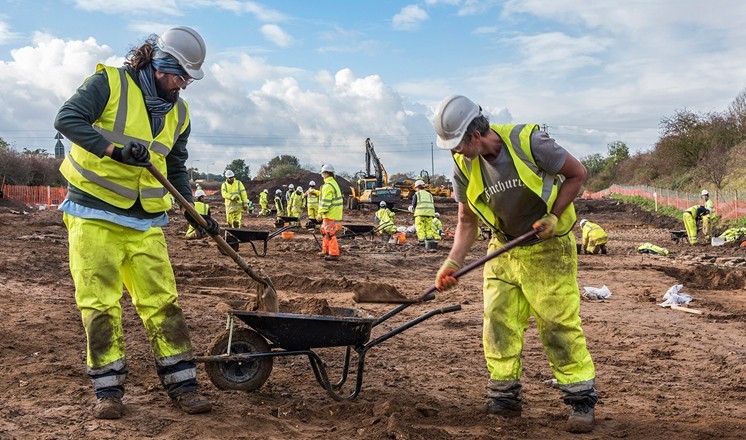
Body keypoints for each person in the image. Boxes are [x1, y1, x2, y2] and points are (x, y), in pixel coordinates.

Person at [54, 26, 215, 419]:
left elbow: (175, 164)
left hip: (146, 222)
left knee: (163, 302)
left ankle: (183, 385)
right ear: (159, 65)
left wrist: (194, 211)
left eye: (188, 80)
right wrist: (114, 150)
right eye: (179, 76)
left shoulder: (179, 111)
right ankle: (108, 392)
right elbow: (67, 119)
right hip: (94, 214)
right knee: (100, 304)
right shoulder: (108, 84)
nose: (183, 86)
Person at [431, 95, 598, 433]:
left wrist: (553, 216)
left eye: (457, 144)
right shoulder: (463, 165)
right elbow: (466, 220)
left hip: (548, 249)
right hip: (504, 248)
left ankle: (581, 398)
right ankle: (504, 395)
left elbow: (577, 174)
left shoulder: (529, 142)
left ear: (475, 136)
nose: (455, 152)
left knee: (556, 324)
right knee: (497, 321)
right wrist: (452, 261)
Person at [316, 164, 343, 261]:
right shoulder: (332, 183)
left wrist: (320, 213)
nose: (322, 176)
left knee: (330, 233)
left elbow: (325, 202)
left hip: (329, 213)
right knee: (324, 232)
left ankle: (334, 253)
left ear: (326, 174)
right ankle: (325, 250)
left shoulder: (328, 186)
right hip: (332, 213)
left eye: (322, 174)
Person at [409, 179, 437, 248]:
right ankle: (429, 241)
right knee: (429, 227)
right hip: (430, 214)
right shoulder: (429, 195)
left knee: (420, 227)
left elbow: (413, 205)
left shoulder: (417, 194)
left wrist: (411, 209)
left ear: (417, 187)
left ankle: (421, 241)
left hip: (420, 214)